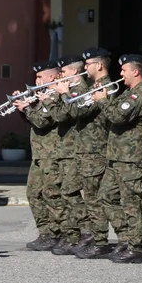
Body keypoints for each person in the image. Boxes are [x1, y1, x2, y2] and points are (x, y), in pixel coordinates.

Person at [93, 54, 142, 263]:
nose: (121, 74)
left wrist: (101, 102)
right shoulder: (128, 93)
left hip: (130, 158)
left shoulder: (139, 95)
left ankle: (136, 248)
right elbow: (114, 112)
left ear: (135, 72)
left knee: (131, 202)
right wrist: (104, 99)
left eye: (124, 70)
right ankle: (125, 238)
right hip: (116, 157)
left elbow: (117, 116)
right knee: (106, 196)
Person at [73, 47, 114, 259]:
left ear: (99, 65)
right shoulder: (94, 87)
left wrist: (68, 91)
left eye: (88, 64)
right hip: (87, 151)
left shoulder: (105, 88)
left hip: (96, 151)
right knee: (90, 197)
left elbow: (79, 110)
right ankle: (98, 239)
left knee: (94, 198)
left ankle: (101, 242)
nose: (85, 68)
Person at [17, 60, 63, 252]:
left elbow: (43, 121)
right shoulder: (43, 96)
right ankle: (46, 233)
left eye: (39, 76)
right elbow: (34, 122)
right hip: (39, 154)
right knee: (33, 193)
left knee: (53, 195)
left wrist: (27, 108)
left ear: (51, 77)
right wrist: (24, 107)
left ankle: (60, 232)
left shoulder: (56, 97)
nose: (36, 80)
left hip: (52, 154)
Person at [48, 54, 89, 255]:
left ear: (73, 71)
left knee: (70, 192)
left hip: (74, 150)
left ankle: (85, 232)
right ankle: (73, 235)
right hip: (65, 150)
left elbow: (65, 114)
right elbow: (57, 115)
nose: (61, 75)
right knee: (65, 192)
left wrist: (59, 95)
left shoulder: (81, 90)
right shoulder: (71, 91)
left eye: (63, 72)